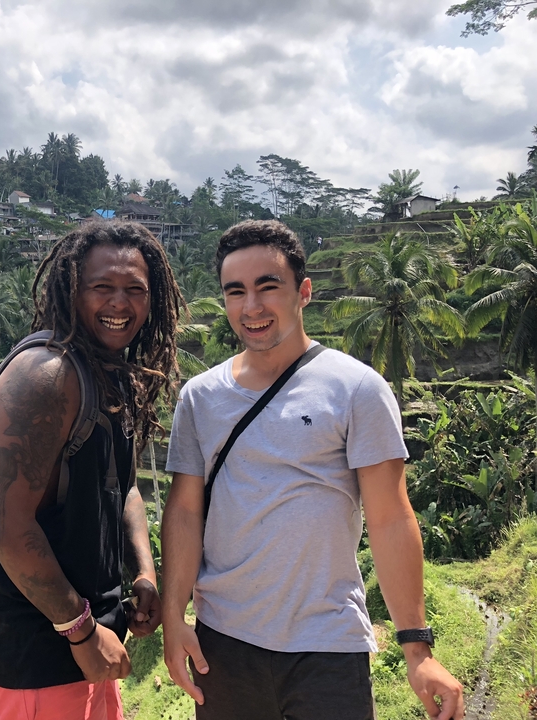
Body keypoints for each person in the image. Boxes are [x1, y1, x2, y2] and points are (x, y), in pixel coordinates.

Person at [161, 220, 465, 720]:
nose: (251, 307)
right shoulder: (200, 398)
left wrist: (418, 650)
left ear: (303, 292)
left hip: (328, 644)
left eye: (268, 287)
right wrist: (174, 617)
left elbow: (390, 517)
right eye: (235, 291)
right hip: (224, 644)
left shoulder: (356, 389)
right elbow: (185, 512)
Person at [0, 220, 184, 720]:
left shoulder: (110, 374)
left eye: (135, 290)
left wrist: (143, 573)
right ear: (71, 291)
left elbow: (125, 488)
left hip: (90, 640)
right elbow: (6, 525)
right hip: (34, 652)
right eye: (102, 287)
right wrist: (80, 632)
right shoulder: (45, 375)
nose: (119, 303)